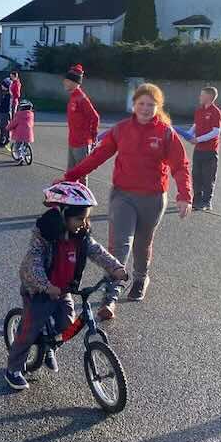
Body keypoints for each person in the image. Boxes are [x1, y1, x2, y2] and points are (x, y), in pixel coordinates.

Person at [64, 82, 191, 320]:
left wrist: (184, 195)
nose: (145, 108)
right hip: (123, 196)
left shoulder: (165, 133)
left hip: (153, 198)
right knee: (119, 245)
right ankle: (110, 298)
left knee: (142, 244)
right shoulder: (121, 129)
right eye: (141, 103)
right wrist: (70, 176)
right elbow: (98, 155)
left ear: (158, 107)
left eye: (151, 105)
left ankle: (141, 278)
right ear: (134, 105)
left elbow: (180, 166)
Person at [5, 181, 128, 391]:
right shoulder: (45, 237)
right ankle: (13, 369)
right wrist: (46, 285)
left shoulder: (80, 236)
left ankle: (49, 346)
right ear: (63, 215)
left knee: (67, 324)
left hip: (63, 290)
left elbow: (97, 252)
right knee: (28, 331)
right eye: (79, 218)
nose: (83, 223)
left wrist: (115, 268)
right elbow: (31, 265)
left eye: (86, 218)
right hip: (40, 292)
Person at [184, 86, 221, 211]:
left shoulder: (216, 112)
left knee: (208, 177)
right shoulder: (199, 111)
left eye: (202, 95)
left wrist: (198, 139)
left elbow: (216, 132)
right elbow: (195, 126)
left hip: (210, 151)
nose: (199, 97)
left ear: (209, 97)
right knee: (196, 175)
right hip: (198, 150)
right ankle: (196, 200)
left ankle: (206, 202)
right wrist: (188, 134)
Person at [64, 64, 99, 176]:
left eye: (67, 80)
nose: (64, 82)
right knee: (70, 175)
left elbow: (95, 117)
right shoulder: (73, 96)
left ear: (74, 82)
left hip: (82, 143)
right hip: (72, 141)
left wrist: (93, 137)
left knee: (82, 175)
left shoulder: (81, 98)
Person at [0, 69, 22, 148]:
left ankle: (7, 139)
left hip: (7, 110)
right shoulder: (4, 92)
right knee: (2, 126)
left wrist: (2, 103)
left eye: (12, 76)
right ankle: (1, 139)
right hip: (3, 110)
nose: (1, 86)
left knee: (6, 125)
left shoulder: (11, 91)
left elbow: (16, 96)